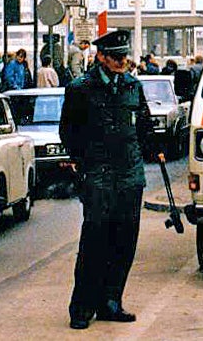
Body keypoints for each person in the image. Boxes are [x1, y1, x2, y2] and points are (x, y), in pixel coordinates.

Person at [59, 29, 154, 330]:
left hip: (129, 175)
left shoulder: (132, 86)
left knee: (124, 242)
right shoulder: (81, 89)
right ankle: (82, 307)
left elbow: (144, 126)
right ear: (101, 57)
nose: (121, 62)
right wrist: (85, 164)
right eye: (115, 57)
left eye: (124, 57)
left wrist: (147, 153)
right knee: (94, 241)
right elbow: (68, 132)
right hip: (98, 175)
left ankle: (111, 301)